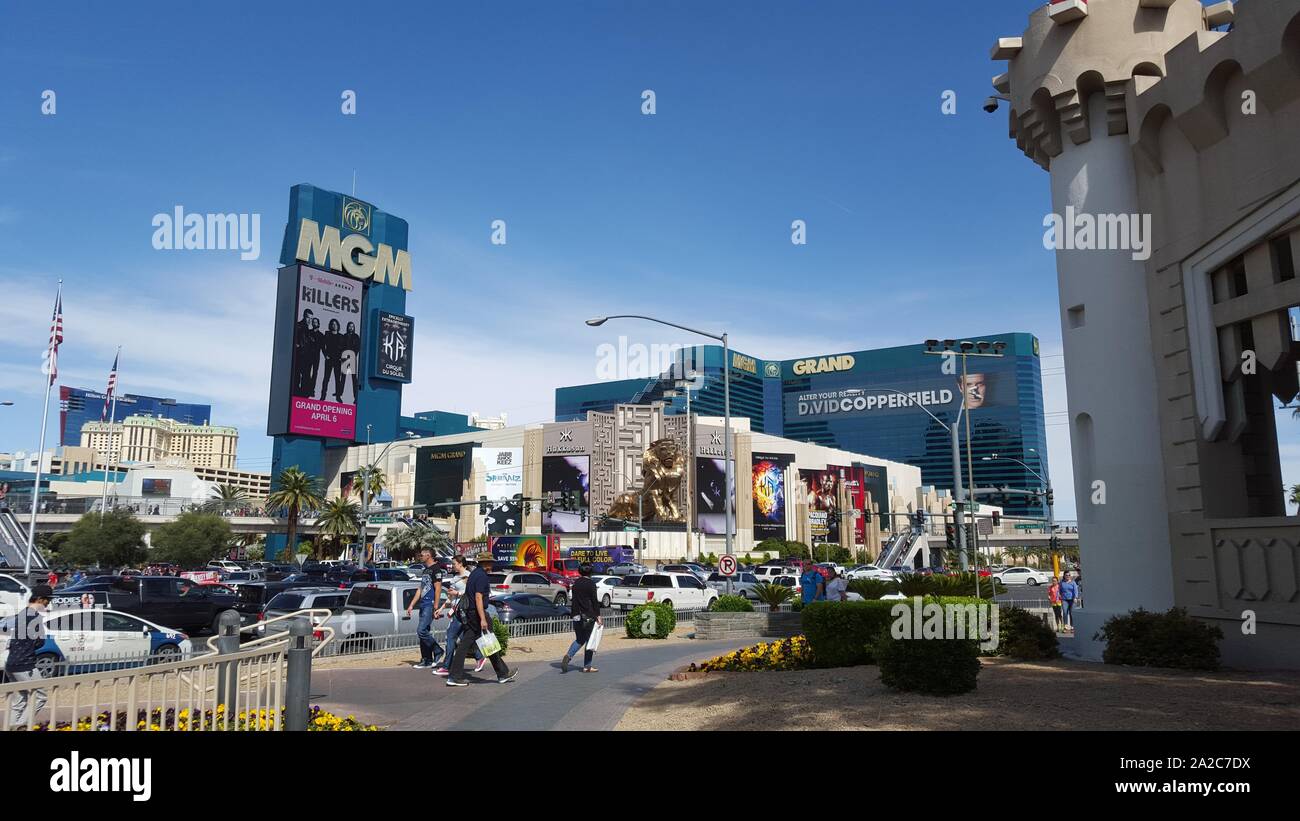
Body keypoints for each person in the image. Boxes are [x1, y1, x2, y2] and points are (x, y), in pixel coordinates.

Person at [445, 553, 515, 687]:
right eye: (491, 563)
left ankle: (502, 673)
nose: (492, 565)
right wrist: (482, 618)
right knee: (475, 642)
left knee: (487, 641)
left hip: (472, 613)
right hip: (477, 614)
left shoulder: (474, 574)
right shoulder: (481, 576)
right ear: (486, 563)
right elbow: (478, 597)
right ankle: (455, 676)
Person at [1, 583, 53, 726]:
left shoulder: (23, 613)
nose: (49, 603)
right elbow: (39, 642)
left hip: (11, 663)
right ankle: (21, 727)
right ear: (41, 599)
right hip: (25, 665)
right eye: (49, 600)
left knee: (20, 700)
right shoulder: (35, 617)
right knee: (40, 697)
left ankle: (10, 727)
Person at [433, 555, 487, 677]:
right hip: (456, 610)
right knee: (464, 638)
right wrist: (441, 609)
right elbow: (450, 597)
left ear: (461, 564)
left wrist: (457, 593)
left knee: (450, 636)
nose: (452, 566)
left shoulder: (468, 576)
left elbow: (470, 593)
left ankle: (447, 666)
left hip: (463, 610)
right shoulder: (455, 578)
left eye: (454, 564)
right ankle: (479, 656)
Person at [404, 548, 444, 669]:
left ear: (429, 555)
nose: (420, 557)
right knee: (423, 632)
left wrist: (436, 606)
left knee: (421, 630)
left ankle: (438, 650)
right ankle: (426, 659)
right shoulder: (426, 570)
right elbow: (420, 589)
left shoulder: (436, 569)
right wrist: (411, 605)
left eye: (422, 555)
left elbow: (438, 588)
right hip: (423, 604)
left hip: (430, 604)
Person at [562, 562, 602, 673]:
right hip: (588, 615)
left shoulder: (575, 584)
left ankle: (568, 655)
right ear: (590, 572)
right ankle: (587, 666)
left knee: (580, 639)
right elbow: (594, 601)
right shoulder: (591, 584)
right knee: (590, 641)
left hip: (576, 615)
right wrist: (598, 616)